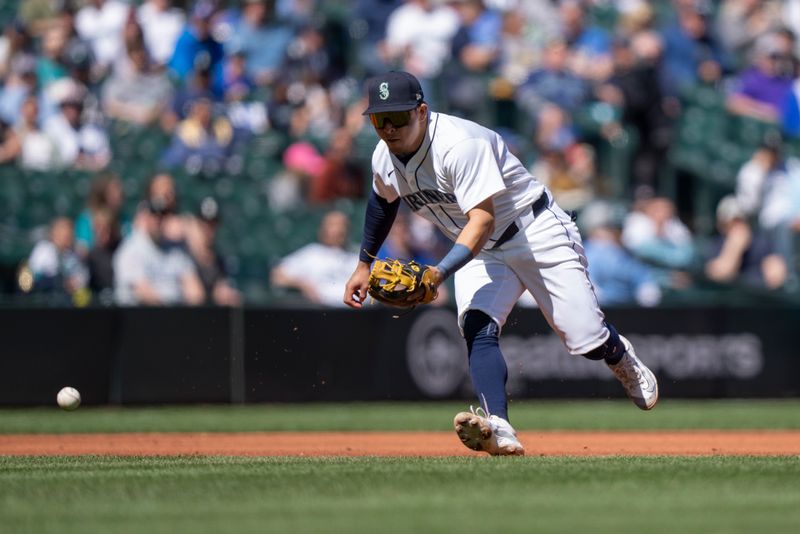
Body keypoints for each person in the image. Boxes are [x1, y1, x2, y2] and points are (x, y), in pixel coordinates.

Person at [343, 70, 659, 457]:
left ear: (422, 112)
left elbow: (483, 219)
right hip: (481, 249)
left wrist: (439, 273)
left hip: (534, 231)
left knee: (585, 339)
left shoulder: (459, 145)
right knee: (476, 324)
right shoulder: (383, 157)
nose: (388, 128)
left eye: (397, 117)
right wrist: (364, 263)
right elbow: (382, 200)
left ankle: (618, 355)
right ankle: (500, 426)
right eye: (379, 119)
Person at [113, 198, 205, 306]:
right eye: (154, 215)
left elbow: (194, 289)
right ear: (146, 217)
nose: (158, 220)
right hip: (140, 315)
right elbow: (142, 291)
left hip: (174, 314)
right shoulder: (131, 248)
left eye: (162, 215)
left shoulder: (175, 249)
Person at [272, 210, 360, 307]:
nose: (338, 230)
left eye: (342, 225)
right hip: (321, 311)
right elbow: (277, 275)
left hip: (361, 313)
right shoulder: (312, 254)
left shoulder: (357, 256)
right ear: (323, 229)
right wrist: (302, 284)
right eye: (333, 225)